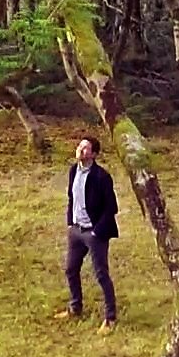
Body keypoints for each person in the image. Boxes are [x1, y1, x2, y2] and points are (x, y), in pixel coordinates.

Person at [57, 135, 119, 333]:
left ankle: (110, 318)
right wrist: (70, 223)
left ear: (94, 154)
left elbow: (111, 208)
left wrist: (96, 232)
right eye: (79, 147)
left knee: (101, 274)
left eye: (85, 149)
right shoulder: (73, 171)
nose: (80, 151)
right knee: (70, 269)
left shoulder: (101, 177)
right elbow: (71, 198)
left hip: (94, 233)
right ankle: (75, 307)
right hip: (76, 231)